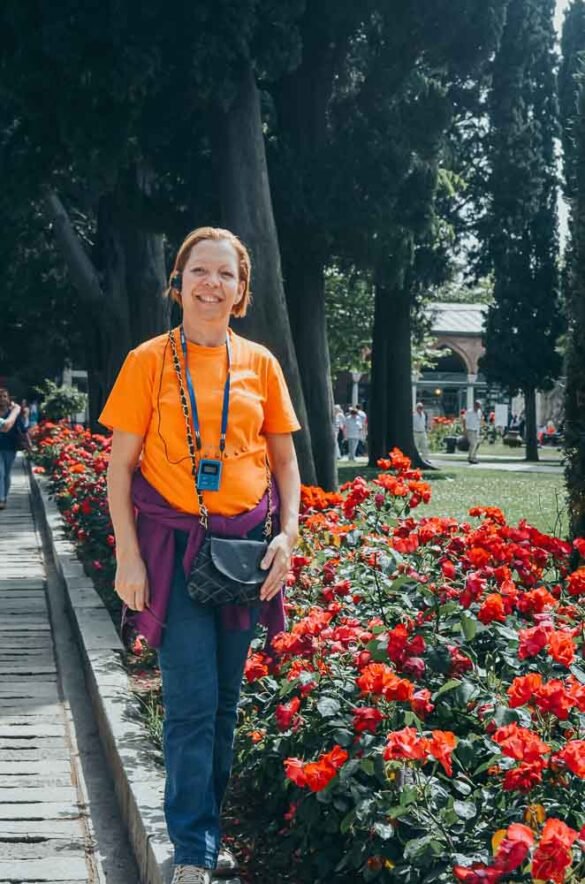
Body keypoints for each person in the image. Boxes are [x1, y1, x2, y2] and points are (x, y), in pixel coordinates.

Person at [99, 227, 301, 884]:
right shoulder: (147, 361)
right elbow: (119, 469)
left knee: (223, 705)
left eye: (225, 275)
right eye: (198, 271)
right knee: (189, 701)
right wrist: (128, 559)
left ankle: (204, 830)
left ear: (242, 291)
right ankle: (191, 849)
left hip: (244, 551)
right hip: (173, 551)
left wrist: (287, 535)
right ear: (178, 281)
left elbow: (285, 462)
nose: (210, 284)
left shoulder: (262, 365)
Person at [0, 388, 24, 510]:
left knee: (6, 474)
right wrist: (16, 410)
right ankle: (1, 499)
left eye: (5, 396)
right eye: (0, 396)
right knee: (0, 472)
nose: (2, 399)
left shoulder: (11, 413)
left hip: (10, 446)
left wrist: (28, 443)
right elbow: (5, 426)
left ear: (8, 399)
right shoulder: (13, 413)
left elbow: (20, 428)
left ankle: (4, 495)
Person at [463, 400, 483, 464]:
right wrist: (465, 430)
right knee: (473, 444)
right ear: (474, 405)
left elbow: (479, 421)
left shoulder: (479, 412)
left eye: (479, 407)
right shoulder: (469, 412)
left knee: (476, 444)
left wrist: (480, 428)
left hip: (476, 430)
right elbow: (464, 420)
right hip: (470, 429)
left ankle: (474, 457)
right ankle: (470, 457)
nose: (478, 408)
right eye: (477, 406)